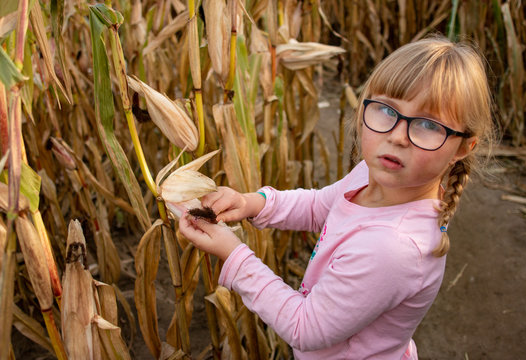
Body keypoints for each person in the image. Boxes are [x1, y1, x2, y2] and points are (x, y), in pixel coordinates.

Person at [178, 36, 494, 359]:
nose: (398, 136)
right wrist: (253, 203)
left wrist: (233, 255)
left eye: (428, 124)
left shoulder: (392, 250)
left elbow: (305, 328)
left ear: (463, 147)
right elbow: (319, 206)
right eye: (387, 110)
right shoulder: (376, 175)